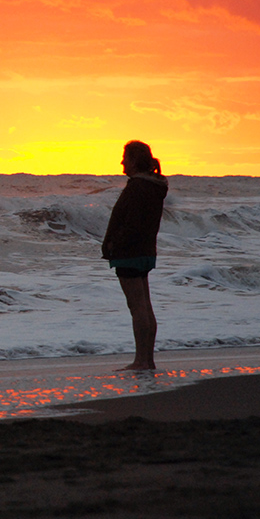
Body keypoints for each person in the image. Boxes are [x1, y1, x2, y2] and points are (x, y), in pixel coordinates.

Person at [102, 141, 168, 370]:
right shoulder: (152, 187)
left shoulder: (137, 187)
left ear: (133, 160)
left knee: (138, 307)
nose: (121, 161)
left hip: (130, 252)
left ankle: (141, 360)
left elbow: (130, 224)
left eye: (125, 156)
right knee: (145, 306)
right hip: (145, 251)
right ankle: (147, 360)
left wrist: (114, 243)